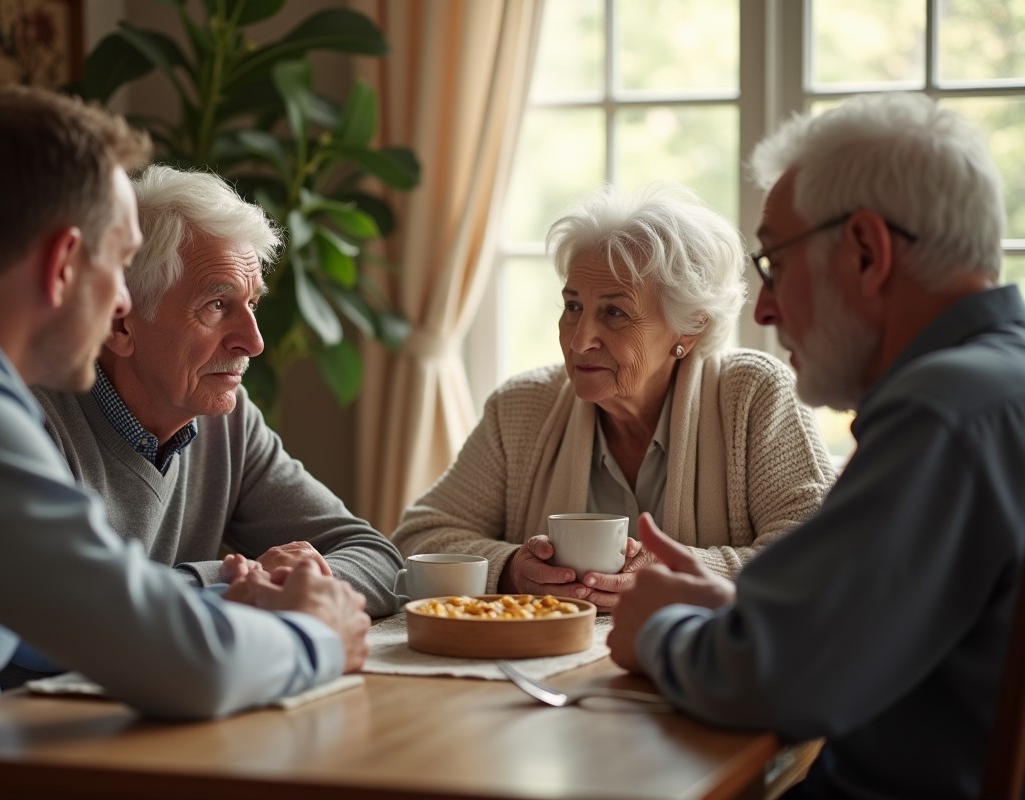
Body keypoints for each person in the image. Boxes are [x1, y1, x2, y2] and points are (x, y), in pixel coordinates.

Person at [0, 86, 369, 799]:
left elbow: (68, 625)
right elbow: (182, 663)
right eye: (118, 264)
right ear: (62, 264)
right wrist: (316, 635)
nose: (121, 304)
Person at [608, 93, 1024, 800]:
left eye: (774, 263)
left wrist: (657, 626)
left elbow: (767, 680)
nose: (765, 309)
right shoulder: (998, 389)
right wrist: (731, 613)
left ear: (866, 251)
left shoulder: (944, 414)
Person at [392, 184, 836, 611]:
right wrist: (509, 570)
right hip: (546, 665)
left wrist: (679, 572)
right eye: (572, 307)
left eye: (614, 312)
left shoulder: (754, 395)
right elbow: (421, 536)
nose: (580, 339)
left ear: (689, 326)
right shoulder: (521, 407)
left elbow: (821, 554)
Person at [28, 163, 401, 612]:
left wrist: (274, 581)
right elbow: (63, 610)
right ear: (120, 322)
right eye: (217, 304)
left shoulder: (231, 423)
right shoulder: (34, 422)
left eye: (252, 303)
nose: (255, 341)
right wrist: (227, 584)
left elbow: (378, 559)